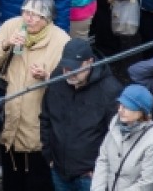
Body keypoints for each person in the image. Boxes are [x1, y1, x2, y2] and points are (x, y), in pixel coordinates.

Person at [0, 0, 70, 191]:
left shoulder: (61, 41)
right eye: (25, 12)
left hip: (37, 133)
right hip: (8, 128)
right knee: (11, 183)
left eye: (34, 15)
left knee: (38, 183)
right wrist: (6, 44)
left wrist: (47, 77)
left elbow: (71, 85)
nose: (27, 18)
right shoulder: (12, 26)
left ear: (47, 19)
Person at [40, 37, 123, 191]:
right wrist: (48, 156)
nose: (69, 73)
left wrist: (102, 168)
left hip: (90, 177)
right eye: (66, 67)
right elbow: (46, 118)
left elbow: (117, 135)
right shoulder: (57, 79)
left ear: (89, 62)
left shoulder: (109, 90)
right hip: (59, 171)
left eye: (75, 68)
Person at [91, 85, 153, 191]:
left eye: (127, 107)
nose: (120, 110)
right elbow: (103, 161)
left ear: (141, 112)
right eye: (120, 104)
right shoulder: (114, 126)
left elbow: (148, 182)